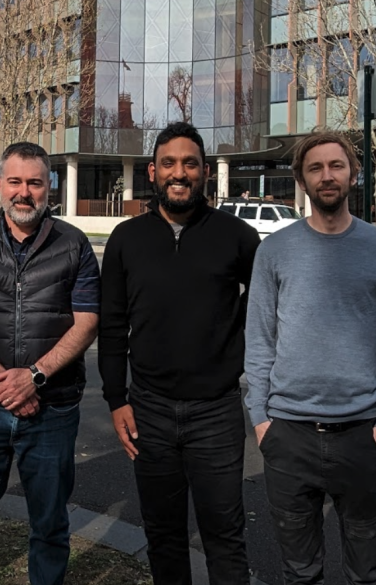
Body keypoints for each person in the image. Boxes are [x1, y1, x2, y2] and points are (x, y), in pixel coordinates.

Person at [245, 131, 376, 585]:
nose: (327, 176)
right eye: (315, 168)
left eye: (336, 166)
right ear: (301, 180)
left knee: (366, 573)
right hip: (288, 434)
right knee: (300, 573)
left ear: (353, 173)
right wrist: (261, 420)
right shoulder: (274, 251)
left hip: (362, 435)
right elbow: (259, 341)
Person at [98, 121, 261, 584]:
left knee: (224, 535)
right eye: (169, 163)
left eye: (190, 163)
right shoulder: (127, 240)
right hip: (147, 409)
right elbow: (112, 327)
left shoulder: (236, 235)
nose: (179, 172)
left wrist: (237, 343)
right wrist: (116, 399)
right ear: (152, 171)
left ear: (205, 172)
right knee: (164, 534)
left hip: (216, 412)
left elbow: (268, 301)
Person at [0, 142, 100, 585]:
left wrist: (35, 377)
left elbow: (87, 324)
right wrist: (5, 384)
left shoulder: (74, 244)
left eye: (34, 182)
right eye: (15, 181)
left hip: (52, 410)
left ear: (50, 186)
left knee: (49, 529)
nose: (23, 192)